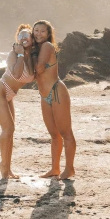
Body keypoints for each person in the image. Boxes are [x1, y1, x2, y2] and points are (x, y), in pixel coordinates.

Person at [0, 24, 35, 179]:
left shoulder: (32, 56)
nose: (24, 38)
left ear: (32, 39)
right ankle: (4, 169)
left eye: (27, 35)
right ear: (17, 39)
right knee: (8, 129)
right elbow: (18, 74)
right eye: (20, 36)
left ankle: (6, 166)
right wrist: (19, 54)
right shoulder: (13, 54)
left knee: (11, 132)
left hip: (10, 94)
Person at [32, 20, 76, 180]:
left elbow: (39, 68)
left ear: (48, 34)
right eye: (36, 30)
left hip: (57, 92)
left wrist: (27, 53)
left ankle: (69, 169)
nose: (38, 34)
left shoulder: (47, 46)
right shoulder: (36, 48)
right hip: (45, 96)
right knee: (54, 134)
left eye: (42, 31)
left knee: (66, 133)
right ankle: (55, 169)